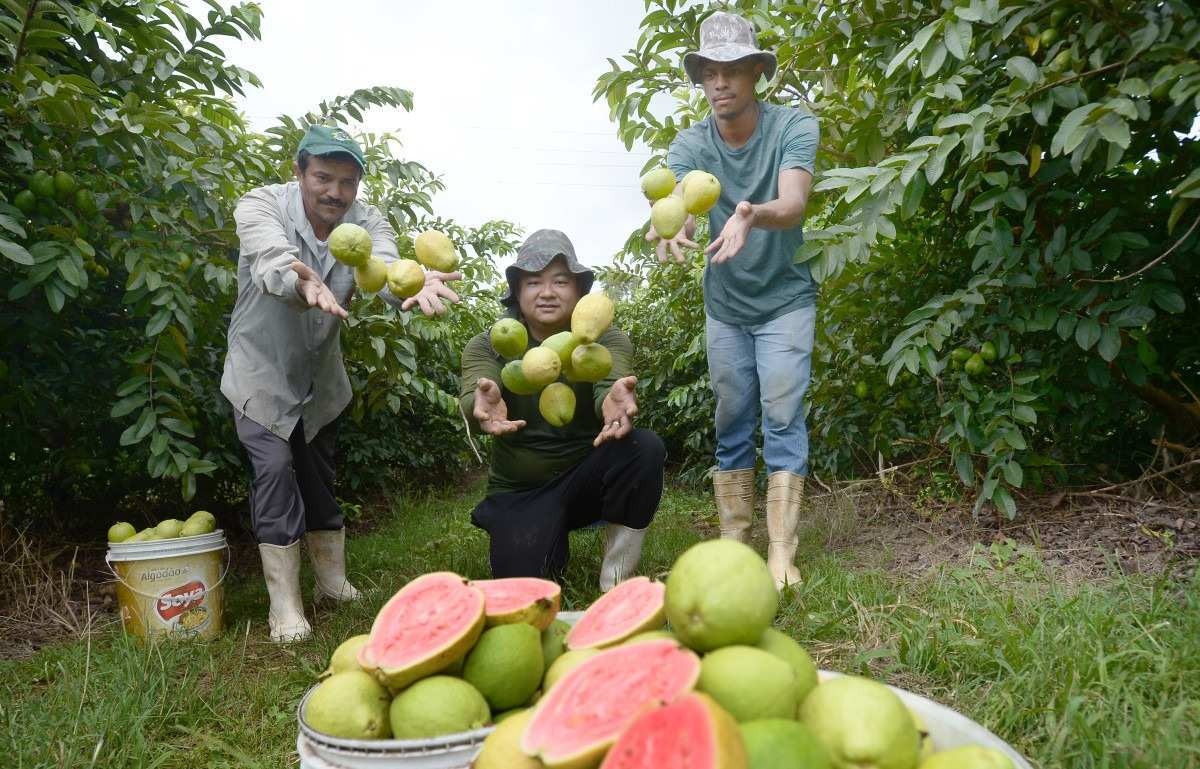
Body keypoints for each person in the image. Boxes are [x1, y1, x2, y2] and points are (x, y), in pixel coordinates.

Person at [222, 125, 460, 642]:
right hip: (259, 372)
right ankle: (284, 605)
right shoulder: (261, 205)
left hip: (321, 378)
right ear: (299, 171)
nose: (335, 191)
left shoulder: (366, 222)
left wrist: (411, 288)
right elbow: (268, 257)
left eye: (347, 182)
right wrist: (300, 277)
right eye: (324, 177)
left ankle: (332, 584)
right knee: (275, 469)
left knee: (317, 475)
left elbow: (387, 267)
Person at [647, 11, 819, 591]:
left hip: (786, 299)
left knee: (783, 412)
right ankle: (732, 543)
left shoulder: (793, 127)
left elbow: (794, 203)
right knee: (732, 419)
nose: (719, 83)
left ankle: (781, 552)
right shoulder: (690, 144)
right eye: (708, 72)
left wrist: (752, 212)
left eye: (732, 70)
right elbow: (678, 206)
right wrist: (674, 226)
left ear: (754, 73)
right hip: (726, 306)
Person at [459, 229, 666, 591]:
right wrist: (481, 403)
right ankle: (541, 537)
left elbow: (609, 382)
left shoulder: (606, 339)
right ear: (517, 292)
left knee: (644, 447)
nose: (548, 292)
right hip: (522, 491)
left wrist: (612, 399)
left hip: (587, 480)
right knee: (525, 589)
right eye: (534, 282)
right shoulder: (489, 345)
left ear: (578, 291)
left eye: (560, 281)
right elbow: (475, 395)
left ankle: (616, 579)